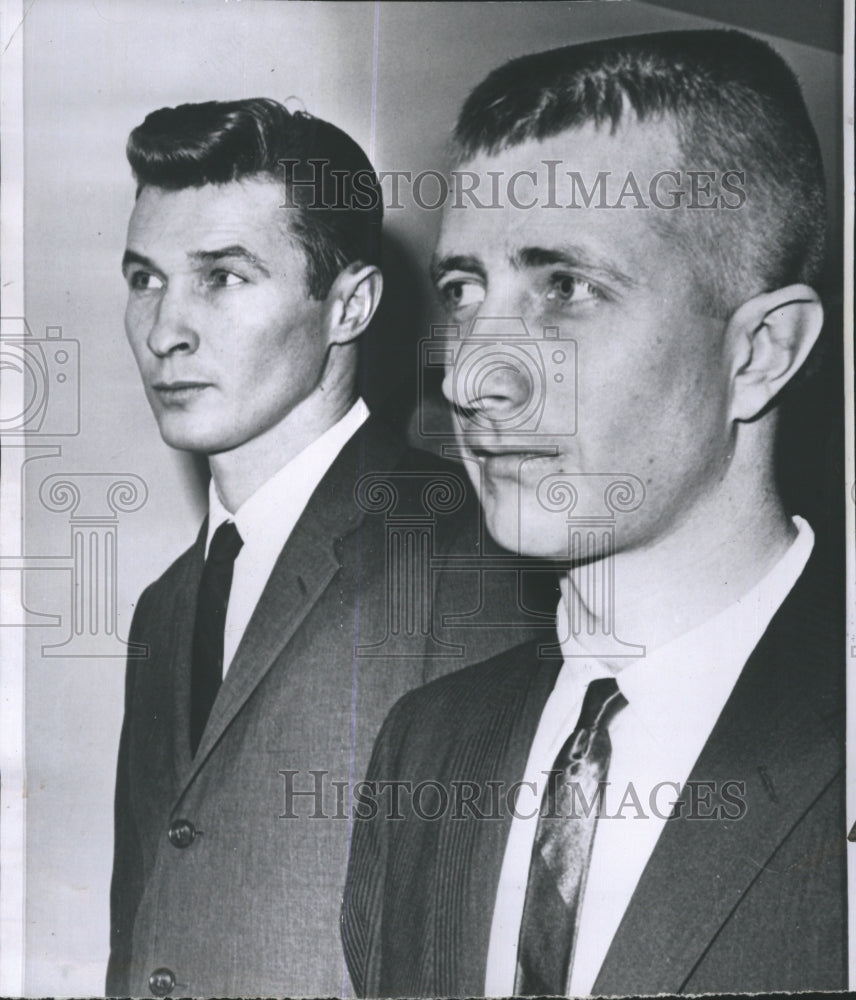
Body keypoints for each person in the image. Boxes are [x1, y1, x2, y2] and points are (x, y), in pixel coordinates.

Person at [343, 30, 846, 996]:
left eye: (565, 288)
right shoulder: (427, 744)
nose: (473, 376)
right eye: (463, 289)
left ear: (761, 353)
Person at [107, 97, 548, 998]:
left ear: (349, 305)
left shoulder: (472, 553)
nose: (163, 331)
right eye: (145, 278)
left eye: (222, 277)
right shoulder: (164, 604)